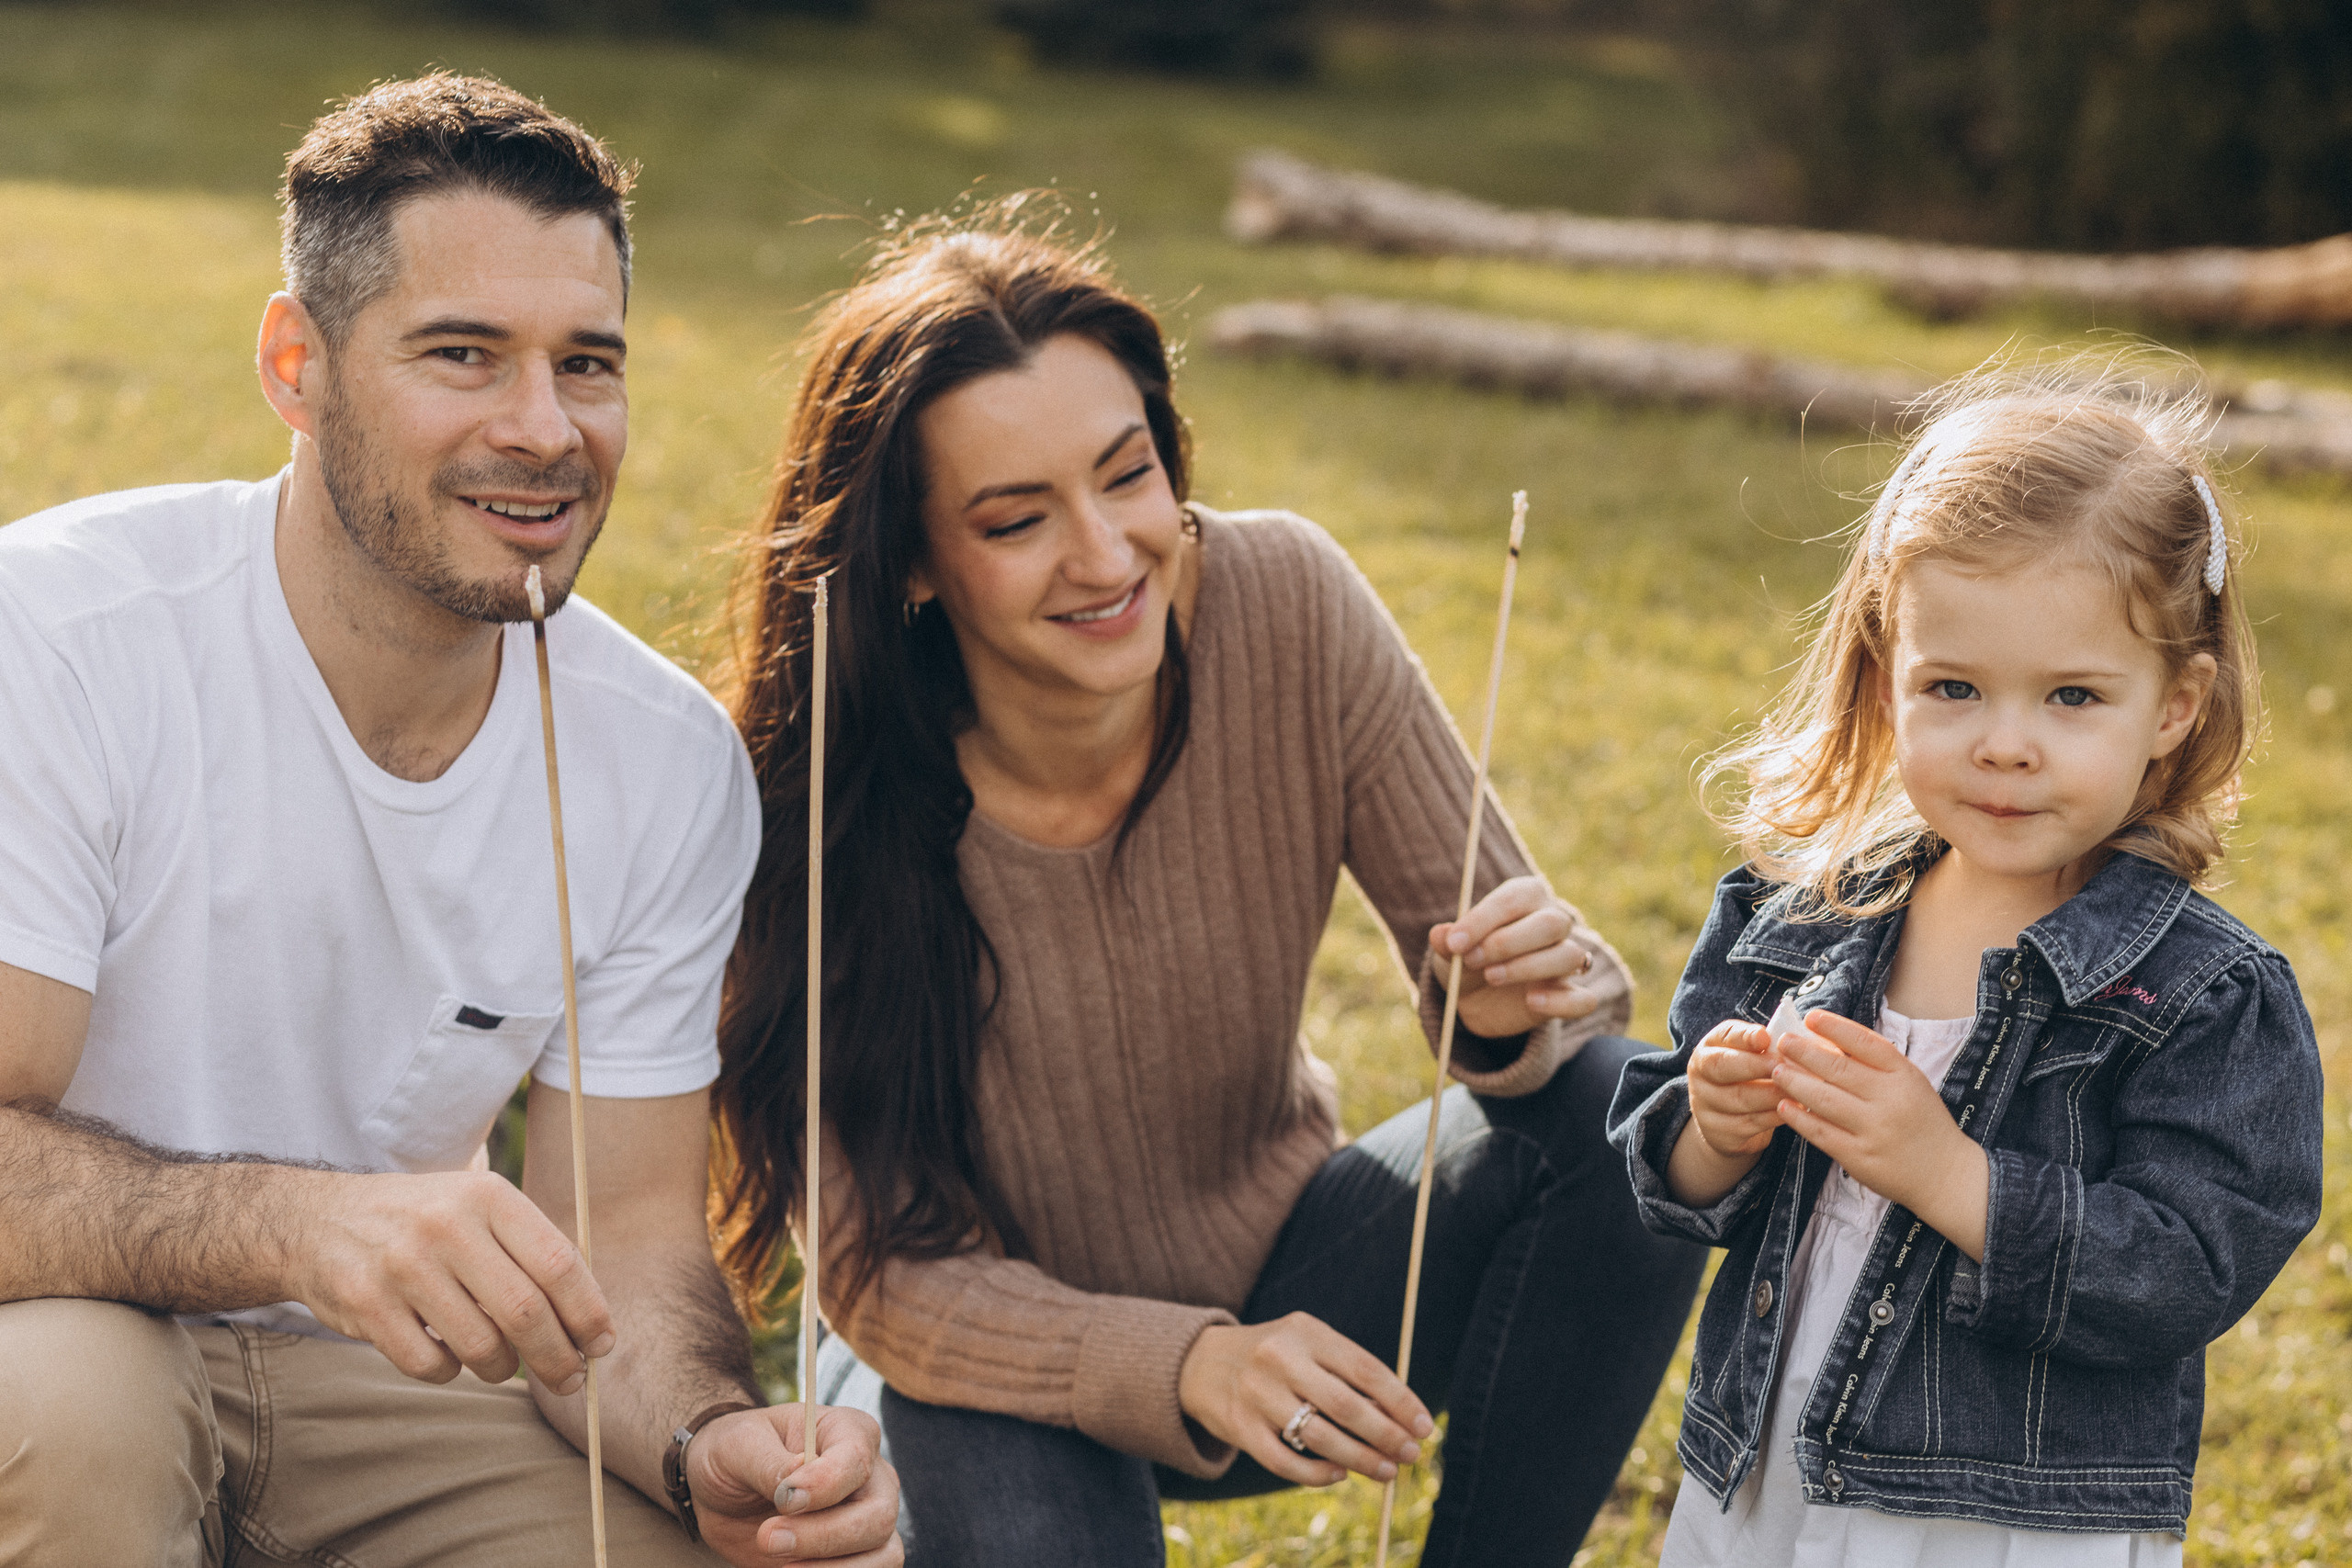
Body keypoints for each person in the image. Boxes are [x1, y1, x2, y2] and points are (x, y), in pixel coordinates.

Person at [705, 208, 1705, 1567]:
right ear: (921, 566)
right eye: (1017, 521)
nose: (1110, 555)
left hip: (1299, 1278)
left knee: (1618, 1117)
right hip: (976, 1364)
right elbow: (887, 1277)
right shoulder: (805, 801)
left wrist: (1512, 1011)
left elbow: (1534, 1028)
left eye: (1128, 477)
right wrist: (1182, 1360)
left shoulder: (1282, 600)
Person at [0, 74, 898, 1567]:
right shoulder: (56, 637)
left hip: (377, 1387)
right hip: (53, 1330)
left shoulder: (661, 758)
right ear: (299, 366)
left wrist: (700, 1441)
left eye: (588, 364)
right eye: (464, 355)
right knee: (72, 1415)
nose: (544, 431)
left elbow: (629, 1236)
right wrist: (302, 1226)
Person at [1610, 357, 2324, 1565]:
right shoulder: (1800, 917)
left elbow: (2194, 1266)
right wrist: (1711, 1132)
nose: (2006, 746)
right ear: (1889, 676)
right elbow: (1661, 1174)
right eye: (1954, 686)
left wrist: (1949, 1175)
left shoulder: (2201, 995)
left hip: (2004, 1523)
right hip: (1766, 1476)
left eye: (2072, 698)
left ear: (2173, 707)